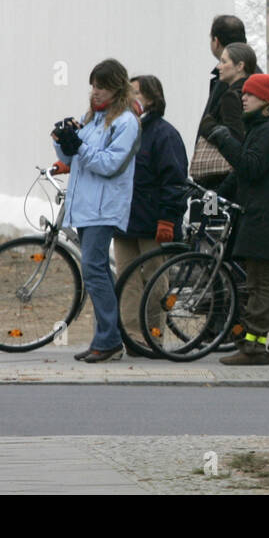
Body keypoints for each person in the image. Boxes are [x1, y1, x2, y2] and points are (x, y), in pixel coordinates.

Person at [200, 72, 269, 365]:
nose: (243, 98)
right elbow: (244, 171)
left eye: (250, 94)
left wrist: (222, 138)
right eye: (243, 93)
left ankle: (253, 347)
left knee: (260, 284)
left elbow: (250, 166)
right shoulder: (265, 128)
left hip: (266, 220)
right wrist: (217, 195)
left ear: (266, 101)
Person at [51, 59, 140, 363]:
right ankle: (103, 338)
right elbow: (72, 156)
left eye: (101, 86)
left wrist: (79, 147)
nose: (95, 92)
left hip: (104, 208)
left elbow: (109, 165)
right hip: (85, 206)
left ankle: (110, 339)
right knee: (95, 273)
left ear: (117, 88)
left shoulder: (125, 122)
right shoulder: (92, 118)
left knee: (93, 271)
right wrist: (62, 140)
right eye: (92, 86)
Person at [113, 75, 187, 354]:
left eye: (135, 93)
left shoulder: (164, 134)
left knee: (156, 281)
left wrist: (168, 218)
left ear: (152, 99)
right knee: (126, 281)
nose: (129, 98)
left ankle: (153, 335)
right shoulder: (124, 131)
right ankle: (134, 337)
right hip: (125, 221)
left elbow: (175, 181)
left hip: (154, 222)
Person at [193, 41, 261, 188]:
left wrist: (208, 126)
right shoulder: (254, 96)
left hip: (223, 178)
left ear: (240, 66)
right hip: (244, 179)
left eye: (224, 62)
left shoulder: (231, 97)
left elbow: (235, 138)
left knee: (211, 210)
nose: (219, 67)